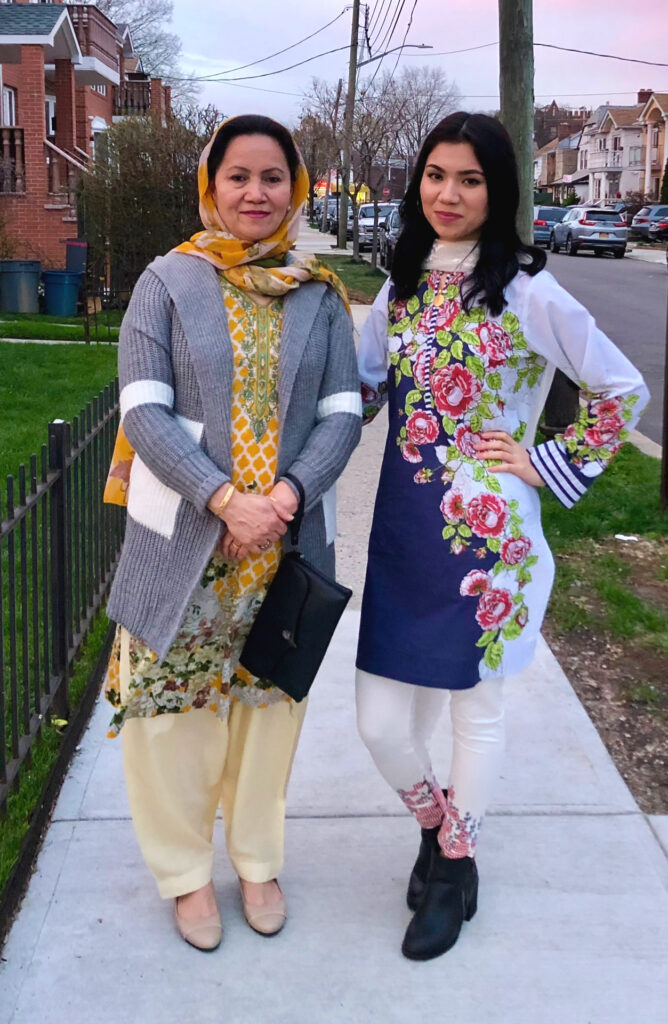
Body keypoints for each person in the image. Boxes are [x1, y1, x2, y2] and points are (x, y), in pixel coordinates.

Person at [355, 112, 648, 961]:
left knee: (473, 715)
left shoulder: (527, 288)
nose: (448, 194)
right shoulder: (401, 284)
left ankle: (454, 865)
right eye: (437, 175)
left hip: (490, 541)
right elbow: (367, 385)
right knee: (379, 722)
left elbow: (621, 391)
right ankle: (435, 825)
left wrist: (542, 461)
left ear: (499, 191)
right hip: (404, 536)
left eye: (471, 180)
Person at [102, 115, 361, 951]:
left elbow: (343, 416)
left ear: (298, 188)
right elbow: (143, 410)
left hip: (283, 543)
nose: (256, 193)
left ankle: (256, 860)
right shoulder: (168, 281)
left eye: (273, 177)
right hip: (188, 538)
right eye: (238, 176)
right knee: (171, 715)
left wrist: (283, 498)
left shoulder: (319, 294)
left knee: (265, 707)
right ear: (211, 184)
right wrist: (223, 499)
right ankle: (184, 876)